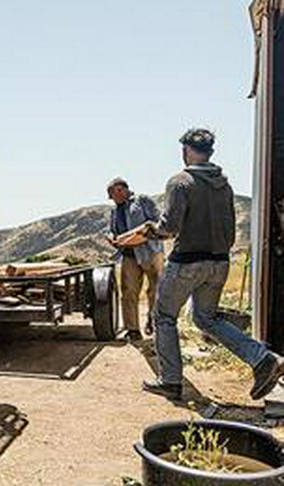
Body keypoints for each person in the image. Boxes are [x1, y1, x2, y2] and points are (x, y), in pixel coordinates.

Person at [139, 128, 284, 401]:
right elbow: (230, 230)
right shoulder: (224, 185)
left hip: (187, 262)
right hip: (219, 262)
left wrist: (152, 230)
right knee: (206, 318)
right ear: (210, 152)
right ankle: (262, 358)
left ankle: (170, 381)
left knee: (165, 317)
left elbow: (170, 227)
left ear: (186, 151)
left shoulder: (180, 182)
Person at [106, 177, 164, 341]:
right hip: (129, 255)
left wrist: (136, 237)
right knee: (129, 292)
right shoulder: (114, 211)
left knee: (156, 290)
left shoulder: (143, 201)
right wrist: (111, 236)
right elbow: (112, 230)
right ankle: (132, 329)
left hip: (151, 252)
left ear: (121, 189)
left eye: (112, 194)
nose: (112, 198)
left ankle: (155, 324)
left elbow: (156, 223)